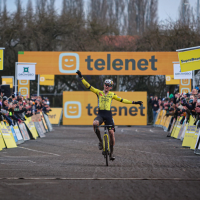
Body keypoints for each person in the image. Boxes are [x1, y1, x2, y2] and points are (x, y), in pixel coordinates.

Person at [76, 70, 143, 161]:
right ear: (104, 85)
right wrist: (81, 77)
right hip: (100, 114)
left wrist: (134, 102)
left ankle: (111, 153)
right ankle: (100, 141)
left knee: (111, 133)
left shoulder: (112, 94)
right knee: (95, 124)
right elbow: (88, 86)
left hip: (108, 115)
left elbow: (122, 100)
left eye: (109, 85)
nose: (107, 86)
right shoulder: (98, 92)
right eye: (106, 85)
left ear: (111, 87)